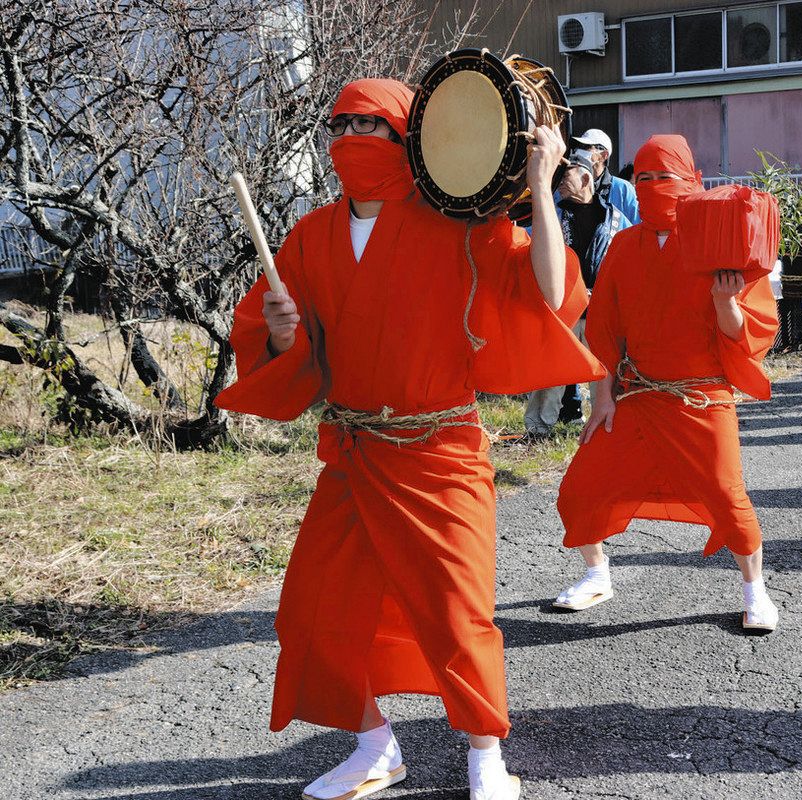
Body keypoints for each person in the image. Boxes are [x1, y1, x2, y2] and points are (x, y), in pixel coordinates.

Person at [216, 79, 603, 800]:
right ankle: (374, 747)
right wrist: (281, 335)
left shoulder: (457, 223)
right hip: (355, 452)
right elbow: (292, 354)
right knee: (315, 612)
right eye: (339, 125)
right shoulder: (310, 236)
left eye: (369, 125)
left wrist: (542, 187)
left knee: (457, 614)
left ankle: (487, 756)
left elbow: (550, 294)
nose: (349, 138)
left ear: (409, 136)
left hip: (440, 449)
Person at [553, 134, 781, 633]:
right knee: (580, 488)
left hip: (701, 397)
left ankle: (755, 590)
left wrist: (725, 302)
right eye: (645, 178)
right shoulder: (624, 245)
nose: (655, 186)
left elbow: (748, 335)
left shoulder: (721, 238)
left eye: (666, 176)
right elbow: (605, 329)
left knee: (727, 495)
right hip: (638, 394)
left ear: (693, 181)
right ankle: (596, 573)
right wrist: (602, 398)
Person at [524, 143, 639, 437]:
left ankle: (606, 426)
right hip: (564, 310)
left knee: (604, 371)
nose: (560, 181)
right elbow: (530, 250)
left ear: (586, 178)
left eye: (566, 175)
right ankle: (538, 428)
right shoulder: (551, 216)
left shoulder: (616, 219)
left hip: (601, 311)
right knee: (551, 370)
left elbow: (628, 263)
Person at [555, 128, 640, 425]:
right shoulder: (562, 194)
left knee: (603, 359)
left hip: (602, 295)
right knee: (565, 358)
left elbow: (633, 233)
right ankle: (567, 410)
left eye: (588, 147)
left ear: (603, 154)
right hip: (569, 296)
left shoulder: (621, 191)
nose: (581, 150)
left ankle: (605, 410)